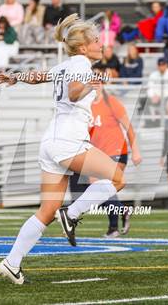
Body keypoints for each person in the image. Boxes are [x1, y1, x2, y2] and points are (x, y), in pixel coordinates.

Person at [0, 14, 126, 284]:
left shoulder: (68, 63)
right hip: (68, 139)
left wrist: (16, 76)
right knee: (117, 178)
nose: (101, 44)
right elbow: (74, 91)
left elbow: (40, 76)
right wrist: (88, 84)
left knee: (47, 210)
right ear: (82, 47)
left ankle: (12, 262)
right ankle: (72, 213)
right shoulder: (81, 64)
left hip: (52, 142)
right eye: (96, 41)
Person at [70, 75, 142, 237]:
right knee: (100, 189)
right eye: (93, 83)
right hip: (98, 154)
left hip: (116, 151)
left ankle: (115, 225)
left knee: (98, 185)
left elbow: (128, 127)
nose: (96, 86)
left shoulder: (112, 103)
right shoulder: (86, 106)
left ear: (103, 85)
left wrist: (135, 149)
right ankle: (118, 218)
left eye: (99, 83)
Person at [144, 57, 168, 127]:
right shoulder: (153, 75)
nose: (162, 67)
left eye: (163, 65)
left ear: (166, 65)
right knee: (144, 101)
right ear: (157, 66)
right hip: (155, 97)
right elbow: (150, 88)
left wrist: (160, 96)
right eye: (160, 65)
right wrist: (152, 95)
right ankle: (150, 123)